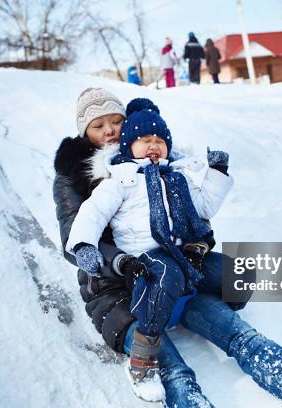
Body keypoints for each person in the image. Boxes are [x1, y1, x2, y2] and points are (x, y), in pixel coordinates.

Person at [53, 88, 282, 408]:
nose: (110, 130)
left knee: (242, 335)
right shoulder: (78, 177)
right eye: (99, 126)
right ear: (85, 132)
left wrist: (197, 247)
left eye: (116, 121)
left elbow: (195, 216)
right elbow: (76, 240)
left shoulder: (163, 166)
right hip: (116, 291)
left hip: (177, 277)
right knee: (171, 368)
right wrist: (122, 263)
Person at [65, 97, 232, 399]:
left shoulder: (175, 175)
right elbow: (91, 214)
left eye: (159, 140)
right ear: (129, 146)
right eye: (144, 140)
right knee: (164, 272)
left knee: (234, 273)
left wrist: (218, 172)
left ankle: (212, 310)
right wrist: (84, 246)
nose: (109, 131)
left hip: (180, 256)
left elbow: (204, 208)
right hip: (137, 265)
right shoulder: (120, 179)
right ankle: (143, 354)